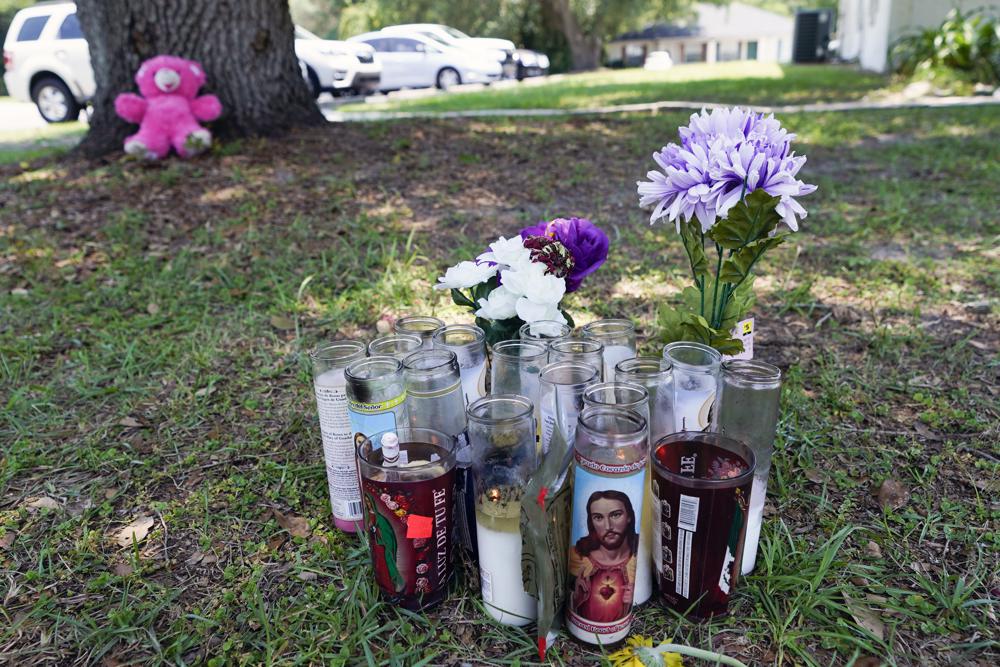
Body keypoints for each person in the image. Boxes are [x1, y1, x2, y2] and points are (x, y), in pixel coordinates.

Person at [568, 490, 638, 622]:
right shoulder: (577, 557)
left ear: (629, 516)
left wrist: (633, 596)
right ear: (592, 522)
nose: (608, 526)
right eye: (598, 518)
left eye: (616, 515)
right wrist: (576, 598)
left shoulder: (637, 556)